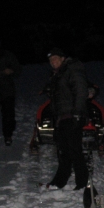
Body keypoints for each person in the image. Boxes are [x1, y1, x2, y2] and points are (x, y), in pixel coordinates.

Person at [43, 48, 89, 190]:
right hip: (62, 117)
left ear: (63, 58)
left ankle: (81, 182)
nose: (53, 62)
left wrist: (77, 113)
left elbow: (81, 91)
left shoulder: (72, 69)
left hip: (72, 115)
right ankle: (59, 181)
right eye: (50, 60)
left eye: (55, 58)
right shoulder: (58, 74)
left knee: (74, 150)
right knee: (63, 150)